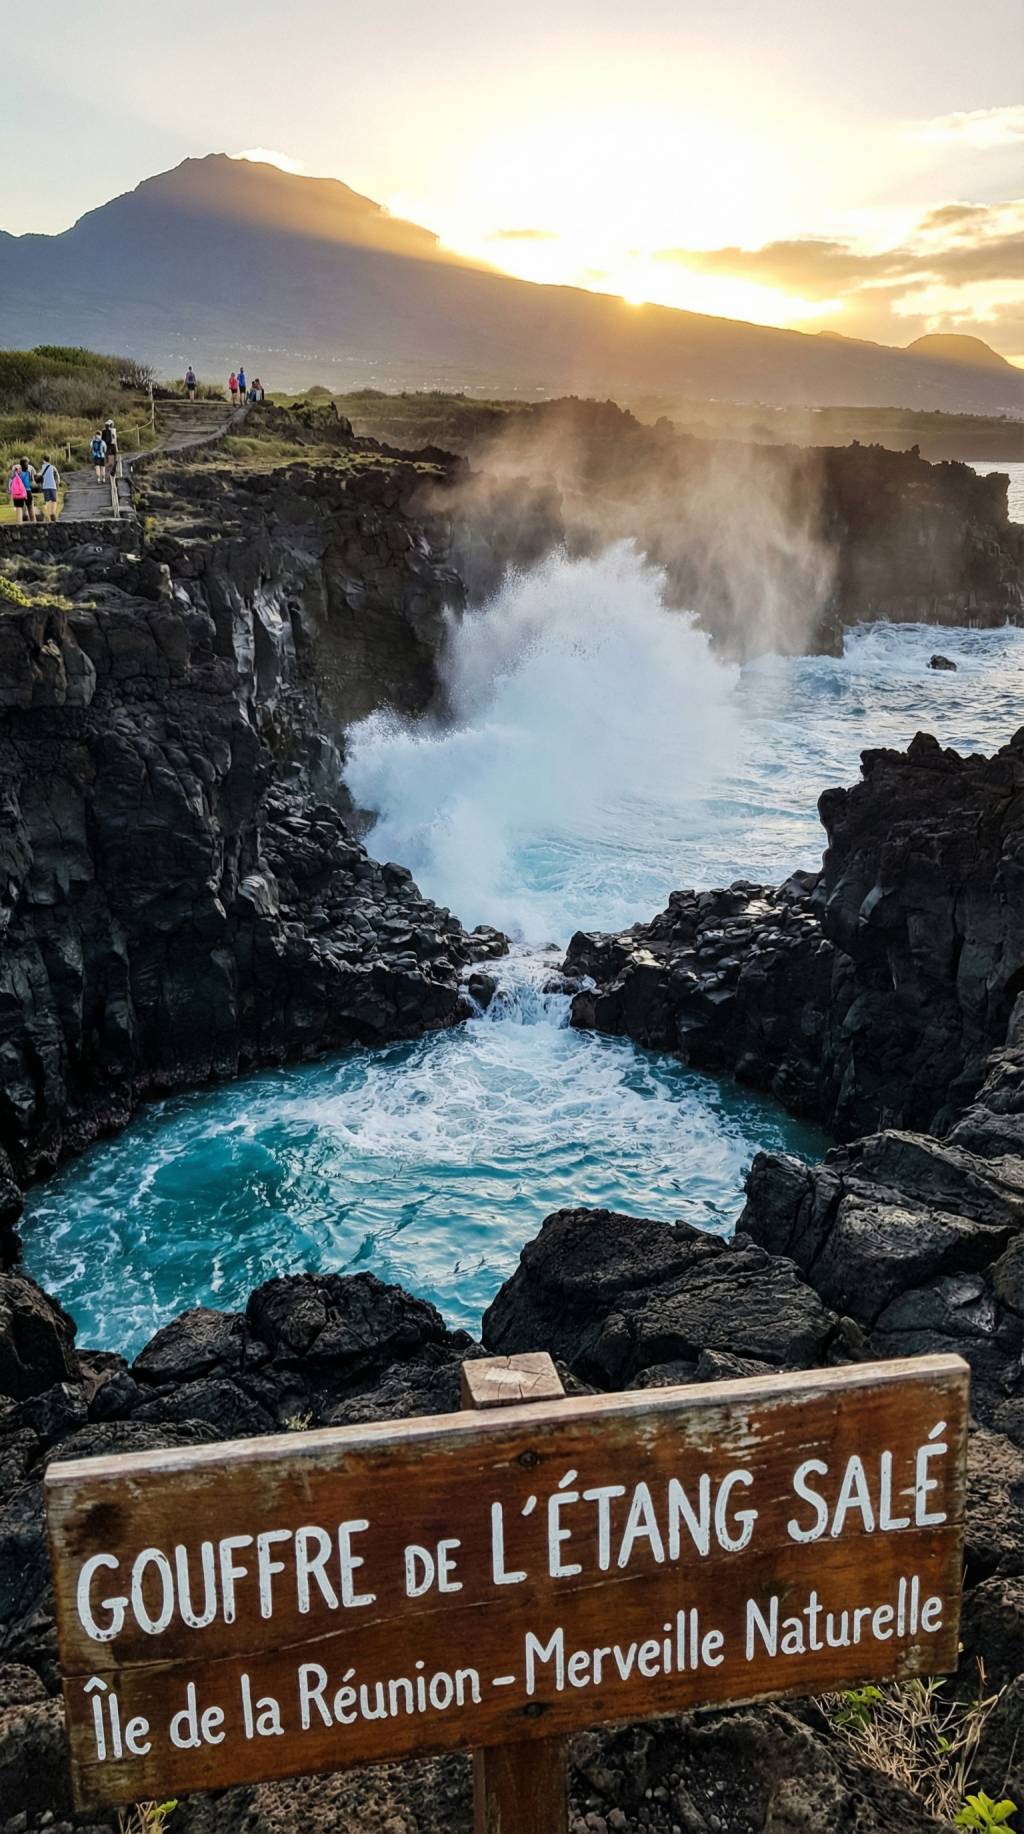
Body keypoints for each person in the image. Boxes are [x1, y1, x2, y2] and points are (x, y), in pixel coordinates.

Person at [38, 455, 60, 522]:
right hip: (53, 486)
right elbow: (57, 476)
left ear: (44, 460)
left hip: (45, 486)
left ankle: (50, 515)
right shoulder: (53, 467)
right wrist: (58, 483)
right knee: (54, 500)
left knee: (47, 501)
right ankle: (53, 513)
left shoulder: (42, 468)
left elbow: (39, 475)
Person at [18, 457, 37, 522]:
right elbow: (33, 482)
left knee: (20, 510)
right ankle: (35, 525)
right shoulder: (29, 472)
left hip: (20, 493)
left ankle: (19, 526)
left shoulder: (18, 472)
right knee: (31, 509)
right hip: (28, 492)